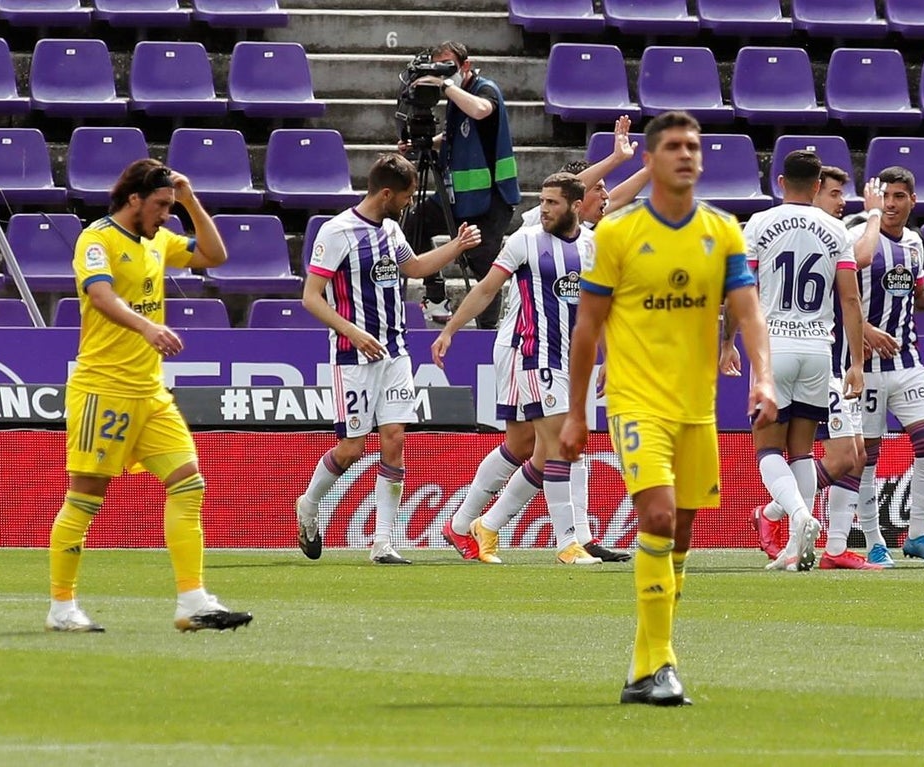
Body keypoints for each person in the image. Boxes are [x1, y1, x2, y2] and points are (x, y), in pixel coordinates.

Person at [562, 111, 778, 707]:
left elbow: (749, 310)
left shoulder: (724, 231)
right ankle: (663, 665)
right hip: (635, 403)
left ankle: (644, 662)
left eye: (694, 146)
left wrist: (762, 376)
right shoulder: (616, 234)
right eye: (675, 147)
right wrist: (578, 412)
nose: (687, 155)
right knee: (656, 517)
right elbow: (588, 328)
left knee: (680, 532)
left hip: (696, 409)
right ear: (651, 159)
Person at [47, 159, 252, 633]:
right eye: (161, 205)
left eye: (170, 206)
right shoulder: (95, 239)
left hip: (150, 391)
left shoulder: (158, 238)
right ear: (134, 199)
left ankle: (192, 601)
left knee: (189, 484)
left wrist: (190, 198)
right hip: (104, 388)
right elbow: (101, 296)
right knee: (85, 498)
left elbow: (214, 255)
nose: (166, 215)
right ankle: (61, 607)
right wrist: (148, 326)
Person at [296, 153, 482, 565]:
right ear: (385, 193)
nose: (409, 202)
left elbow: (413, 268)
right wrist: (353, 331)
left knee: (394, 438)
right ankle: (308, 505)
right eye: (406, 195)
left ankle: (383, 542)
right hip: (352, 355)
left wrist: (456, 245)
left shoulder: (393, 230)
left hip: (395, 351)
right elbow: (311, 297)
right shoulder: (337, 232)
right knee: (351, 448)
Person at [433, 173, 613, 565]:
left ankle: (475, 525)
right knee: (561, 448)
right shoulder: (525, 241)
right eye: (542, 201)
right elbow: (485, 289)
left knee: (530, 448)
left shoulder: (593, 247)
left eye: (552, 203)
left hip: (572, 361)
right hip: (534, 356)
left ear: (576, 207)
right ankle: (567, 543)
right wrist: (451, 329)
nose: (544, 209)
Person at [732, 166, 885, 570]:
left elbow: (742, 290)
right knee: (802, 450)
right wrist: (855, 362)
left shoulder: (759, 224)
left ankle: (798, 516)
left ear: (780, 181)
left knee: (767, 447)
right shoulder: (834, 229)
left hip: (772, 349)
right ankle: (793, 550)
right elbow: (850, 301)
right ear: (817, 185)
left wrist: (726, 342)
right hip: (819, 349)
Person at [847, 166, 924, 568]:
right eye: (885, 197)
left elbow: (916, 297)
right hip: (867, 367)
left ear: (913, 200)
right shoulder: (858, 237)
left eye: (899, 197)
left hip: (908, 362)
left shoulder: (914, 243)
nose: (891, 204)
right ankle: (875, 540)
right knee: (867, 456)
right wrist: (867, 331)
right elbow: (838, 297)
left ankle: (918, 534)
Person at [407, 40, 520, 328]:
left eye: (449, 68)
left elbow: (481, 111)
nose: (443, 75)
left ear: (466, 66)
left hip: (490, 199)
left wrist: (444, 86)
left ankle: (487, 330)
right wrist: (421, 145)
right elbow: (455, 135)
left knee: (484, 269)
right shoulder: (458, 96)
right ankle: (435, 294)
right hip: (456, 194)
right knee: (414, 224)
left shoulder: (484, 89)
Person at [519, 115, 650, 231]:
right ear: (579, 196)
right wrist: (616, 158)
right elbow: (567, 188)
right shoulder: (540, 218)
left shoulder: (583, 229)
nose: (606, 196)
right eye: (598, 188)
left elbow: (617, 199)